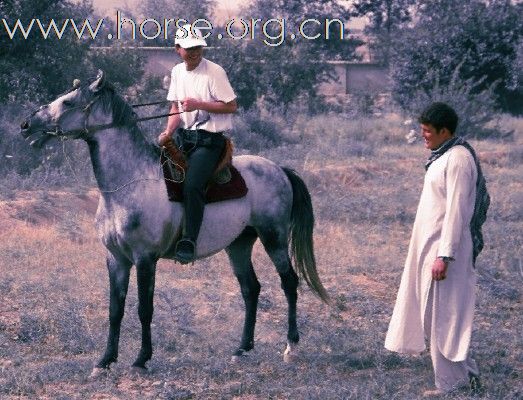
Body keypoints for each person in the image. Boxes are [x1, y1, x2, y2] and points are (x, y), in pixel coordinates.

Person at [384, 102, 489, 397]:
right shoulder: (444, 156)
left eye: (428, 132)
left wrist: (445, 256)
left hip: (446, 254)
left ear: (445, 131)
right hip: (433, 250)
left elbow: (457, 212)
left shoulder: (457, 159)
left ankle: (452, 386)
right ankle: (466, 378)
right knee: (437, 317)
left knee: (444, 318)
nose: (423, 136)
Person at [158, 24, 237, 263]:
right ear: (177, 49)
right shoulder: (177, 72)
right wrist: (168, 131)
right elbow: (175, 107)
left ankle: (189, 241)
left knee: (192, 185)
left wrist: (199, 104)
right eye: (189, 48)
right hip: (185, 138)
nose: (194, 53)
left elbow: (231, 105)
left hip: (210, 141)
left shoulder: (214, 72)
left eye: (198, 48)